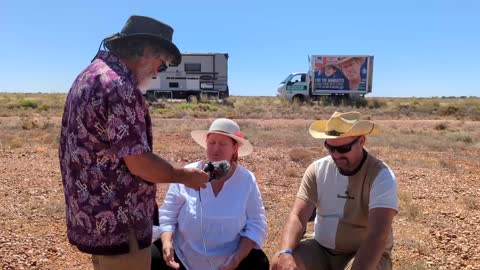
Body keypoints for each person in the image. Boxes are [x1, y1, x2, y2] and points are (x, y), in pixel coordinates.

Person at [58, 15, 209, 270]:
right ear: (146, 52)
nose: (157, 72)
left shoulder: (89, 75)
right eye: (160, 64)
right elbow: (138, 162)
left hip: (92, 219)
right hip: (118, 222)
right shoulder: (120, 87)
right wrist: (184, 176)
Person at [271, 111, 398, 270]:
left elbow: (377, 236)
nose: (336, 155)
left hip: (361, 252)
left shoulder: (381, 176)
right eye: (330, 148)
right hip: (321, 248)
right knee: (279, 263)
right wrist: (286, 252)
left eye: (344, 148)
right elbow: (298, 215)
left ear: (361, 141)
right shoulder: (317, 170)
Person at [151, 118, 269, 270]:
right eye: (212, 143)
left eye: (222, 144)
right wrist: (167, 243)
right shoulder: (188, 173)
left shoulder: (246, 179)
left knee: (260, 263)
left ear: (235, 148)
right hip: (183, 256)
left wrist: (236, 259)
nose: (215, 149)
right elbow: (168, 214)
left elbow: (257, 223)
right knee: (151, 259)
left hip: (230, 260)